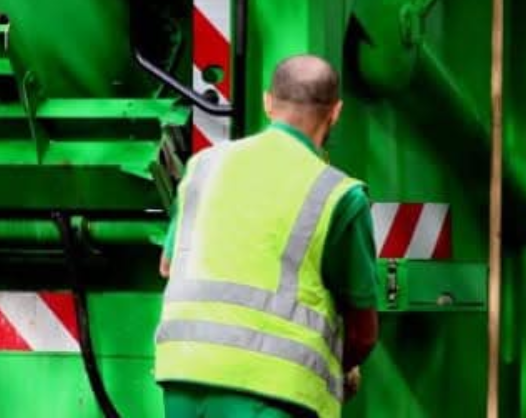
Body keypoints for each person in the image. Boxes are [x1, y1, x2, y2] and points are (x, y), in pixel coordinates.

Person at [154, 55, 379, 418]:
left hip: (184, 375)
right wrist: (340, 366)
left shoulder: (204, 166)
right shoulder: (339, 195)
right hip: (274, 391)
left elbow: (168, 265)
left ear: (267, 101)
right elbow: (363, 332)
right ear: (335, 112)